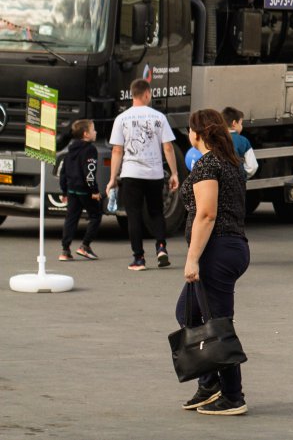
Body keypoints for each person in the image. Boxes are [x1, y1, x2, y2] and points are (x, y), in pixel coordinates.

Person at [177, 108, 251, 416]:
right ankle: (209, 383)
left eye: (189, 131)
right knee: (188, 313)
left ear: (197, 134)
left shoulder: (209, 164)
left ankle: (233, 395)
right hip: (231, 247)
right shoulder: (231, 162)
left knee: (218, 325)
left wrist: (192, 258)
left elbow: (207, 215)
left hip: (216, 251)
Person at [106, 79, 179, 271]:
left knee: (134, 215)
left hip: (131, 173)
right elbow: (168, 147)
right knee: (156, 212)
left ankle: (138, 258)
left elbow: (116, 151)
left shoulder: (121, 119)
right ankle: (161, 247)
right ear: (146, 94)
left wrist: (113, 178)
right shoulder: (159, 117)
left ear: (132, 94)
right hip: (154, 173)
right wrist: (174, 173)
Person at [59, 119, 102, 261]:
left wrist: (64, 191)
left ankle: (65, 250)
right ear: (86, 134)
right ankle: (85, 246)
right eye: (93, 130)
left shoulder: (70, 150)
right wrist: (94, 191)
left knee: (71, 218)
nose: (95, 132)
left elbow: (63, 172)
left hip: (71, 189)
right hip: (85, 190)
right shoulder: (90, 149)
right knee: (95, 215)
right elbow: (89, 172)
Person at [222, 107, 260, 179]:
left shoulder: (216, 139)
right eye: (240, 123)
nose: (241, 126)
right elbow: (252, 166)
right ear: (234, 123)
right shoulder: (243, 141)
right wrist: (242, 176)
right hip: (237, 184)